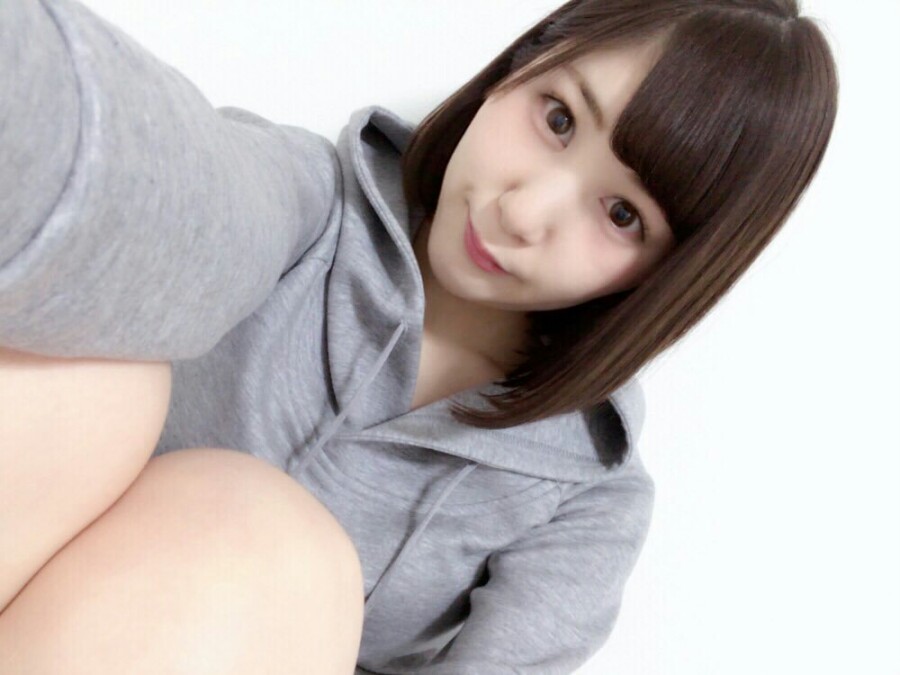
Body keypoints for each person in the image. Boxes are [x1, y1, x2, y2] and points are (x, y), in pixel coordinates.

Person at [0, 0, 838, 672]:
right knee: (91, 373)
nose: (523, 210)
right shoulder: (309, 207)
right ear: (519, 66)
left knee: (272, 544)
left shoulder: (583, 504)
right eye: (557, 118)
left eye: (622, 214)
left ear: (668, 271)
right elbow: (148, 188)